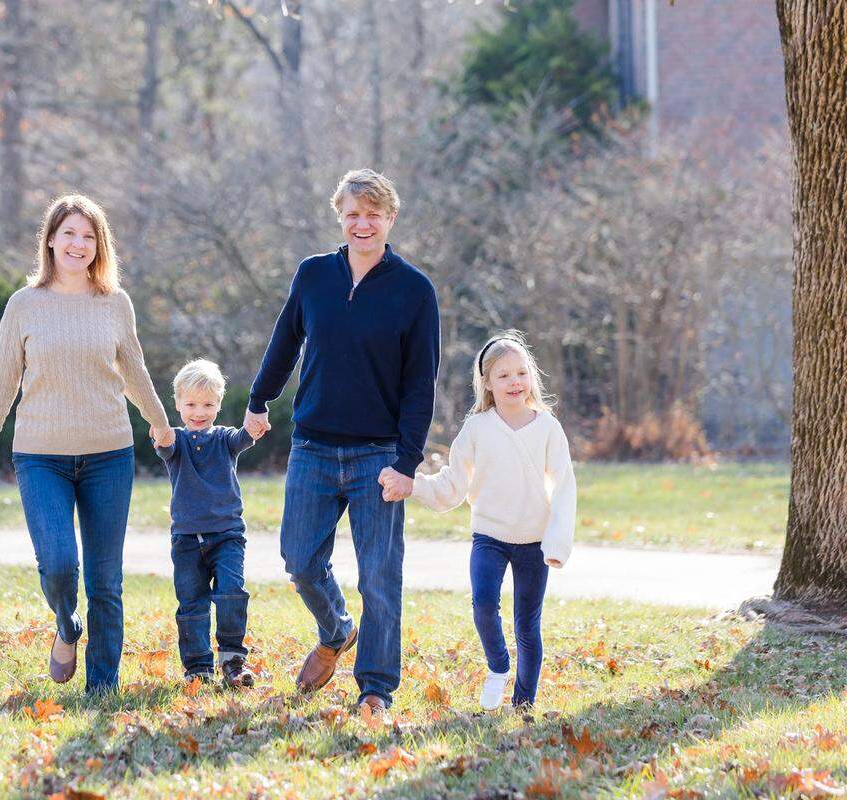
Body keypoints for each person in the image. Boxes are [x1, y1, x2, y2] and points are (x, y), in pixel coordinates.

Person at [0, 194, 174, 695]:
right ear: (51, 240)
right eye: (69, 233)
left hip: (109, 456)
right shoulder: (24, 304)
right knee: (58, 564)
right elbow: (1, 383)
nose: (79, 244)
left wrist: (161, 425)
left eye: (89, 235)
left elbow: (135, 372)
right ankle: (65, 625)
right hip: (40, 457)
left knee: (106, 582)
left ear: (99, 244)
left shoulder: (115, 304)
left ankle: (103, 688)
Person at [245, 169, 440, 711]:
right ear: (340, 216)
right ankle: (336, 631)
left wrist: (407, 462)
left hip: (378, 455)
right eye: (352, 214)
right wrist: (259, 400)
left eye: (373, 214)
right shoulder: (313, 276)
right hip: (311, 445)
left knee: (379, 575)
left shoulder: (415, 291)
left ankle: (376, 689)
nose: (362, 223)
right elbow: (284, 342)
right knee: (299, 558)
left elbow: (420, 385)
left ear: (390, 219)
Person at [390, 330, 575, 710]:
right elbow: (453, 485)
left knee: (527, 625)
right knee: (483, 604)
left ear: (531, 378)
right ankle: (498, 665)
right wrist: (415, 486)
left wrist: (556, 543)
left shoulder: (547, 427)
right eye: (504, 375)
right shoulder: (477, 428)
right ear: (487, 383)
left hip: (533, 541)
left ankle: (523, 703)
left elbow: (564, 487)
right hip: (489, 536)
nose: (514, 382)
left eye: (521, 373)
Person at [154, 359, 259, 688]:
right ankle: (198, 667)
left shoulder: (225, 438)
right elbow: (164, 445)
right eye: (191, 404)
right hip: (186, 539)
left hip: (227, 535)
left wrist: (253, 427)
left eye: (208, 404)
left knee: (231, 591)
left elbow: (243, 438)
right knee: (192, 603)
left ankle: (232, 658)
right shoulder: (177, 442)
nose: (199, 412)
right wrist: (159, 430)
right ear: (177, 405)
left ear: (219, 404)